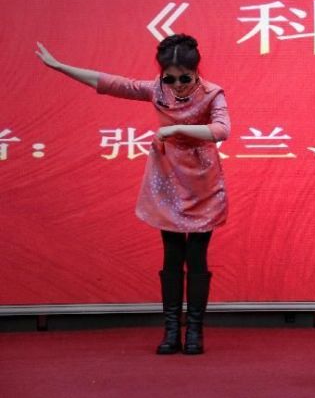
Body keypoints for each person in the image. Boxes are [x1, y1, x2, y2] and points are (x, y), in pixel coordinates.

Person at [35, 34, 230, 356]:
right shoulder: (156, 90)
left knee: (196, 255)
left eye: (184, 78)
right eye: (169, 78)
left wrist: (175, 129)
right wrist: (59, 66)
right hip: (167, 177)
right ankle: (171, 330)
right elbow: (111, 84)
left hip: (202, 181)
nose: (177, 85)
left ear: (196, 71)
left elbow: (223, 130)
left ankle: (195, 331)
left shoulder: (212, 93)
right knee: (172, 253)